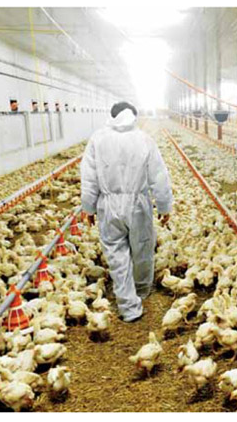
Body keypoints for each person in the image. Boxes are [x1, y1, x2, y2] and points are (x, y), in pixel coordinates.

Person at [81, 102, 173, 322]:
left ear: (111, 116)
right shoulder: (144, 139)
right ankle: (141, 290)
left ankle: (128, 307)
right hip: (138, 204)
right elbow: (158, 175)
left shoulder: (98, 139)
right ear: (134, 116)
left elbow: (89, 177)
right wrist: (164, 205)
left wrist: (89, 207)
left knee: (115, 253)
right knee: (142, 248)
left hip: (108, 204)